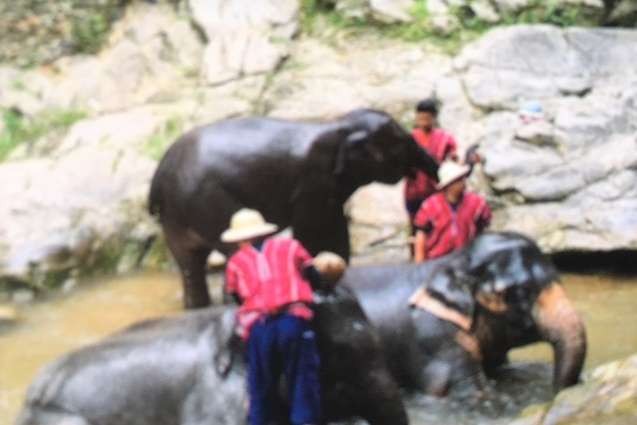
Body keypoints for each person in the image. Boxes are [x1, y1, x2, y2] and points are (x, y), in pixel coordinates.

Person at [222, 208, 330, 425]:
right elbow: (313, 275)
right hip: (293, 321)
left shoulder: (236, 262)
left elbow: (236, 296)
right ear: (265, 232)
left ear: (240, 240)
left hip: (259, 328)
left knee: (259, 385)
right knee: (302, 379)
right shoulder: (291, 247)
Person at [404, 98, 459, 249]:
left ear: (434, 118)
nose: (423, 121)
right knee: (416, 229)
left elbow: (453, 162)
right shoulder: (410, 139)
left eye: (427, 118)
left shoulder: (445, 139)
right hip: (413, 192)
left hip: (437, 192)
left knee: (437, 228)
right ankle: (416, 257)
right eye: (420, 117)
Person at [413, 161, 491, 263]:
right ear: (449, 185)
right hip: (437, 262)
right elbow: (421, 236)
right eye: (458, 180)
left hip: (466, 259)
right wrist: (420, 264)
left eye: (462, 178)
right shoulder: (430, 206)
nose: (463, 182)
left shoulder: (477, 203)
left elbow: (483, 231)